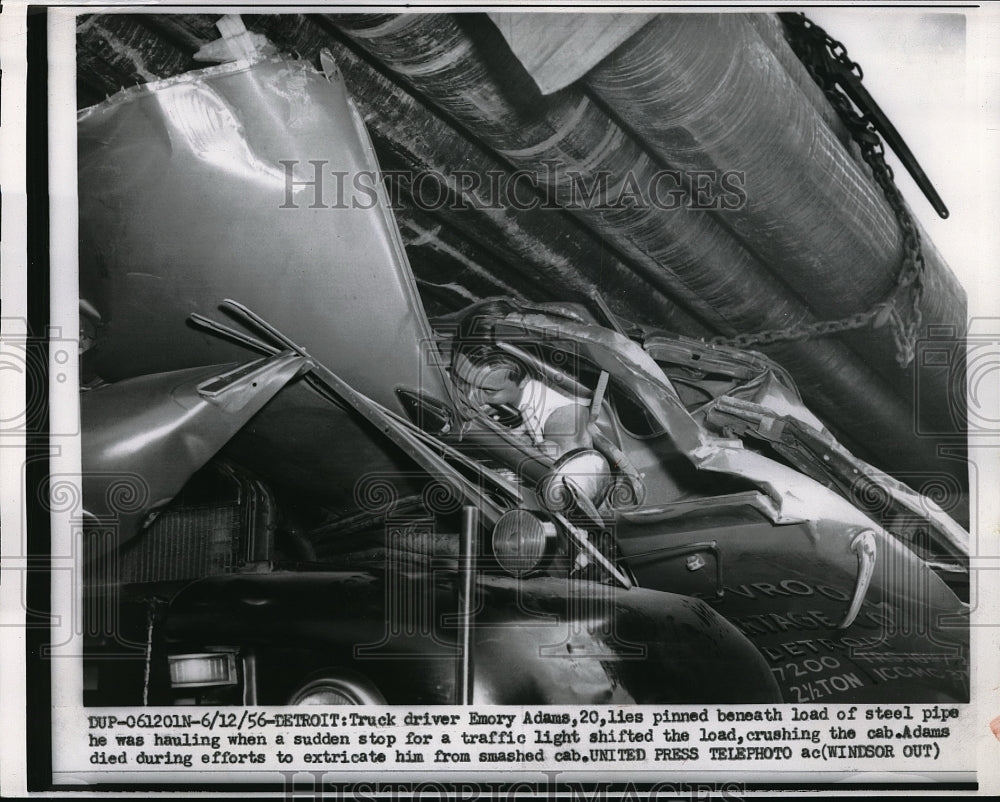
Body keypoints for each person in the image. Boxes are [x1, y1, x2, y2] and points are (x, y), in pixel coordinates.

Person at [450, 341, 592, 459]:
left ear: (525, 380)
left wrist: (549, 456)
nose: (469, 397)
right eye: (460, 379)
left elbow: (576, 466)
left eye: (488, 391)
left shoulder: (560, 414)